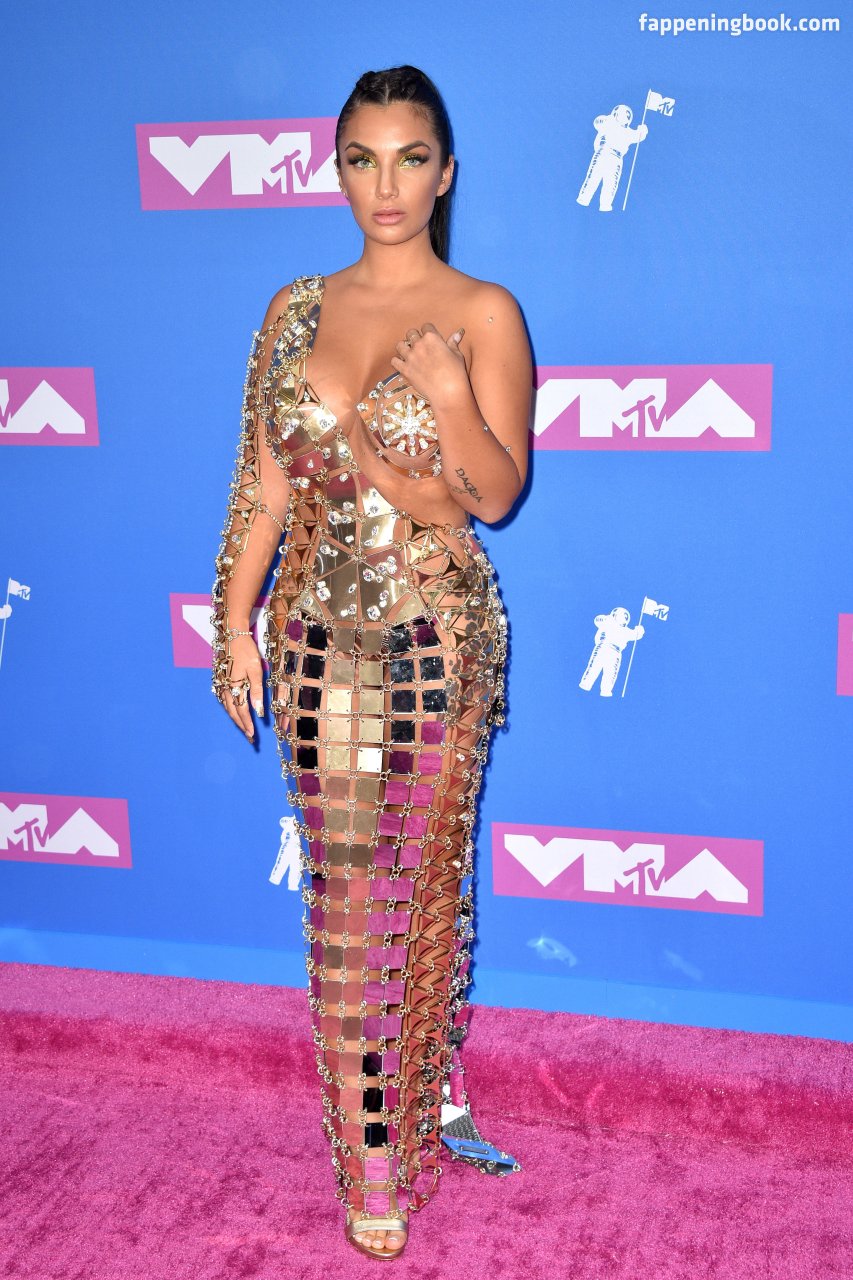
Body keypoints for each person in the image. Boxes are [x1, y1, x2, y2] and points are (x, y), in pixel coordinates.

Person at [210, 64, 532, 1261]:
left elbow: (493, 495)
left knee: (422, 884)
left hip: (437, 634)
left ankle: (425, 1069)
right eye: (362, 157)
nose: (384, 183)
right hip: (311, 638)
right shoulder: (293, 309)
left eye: (410, 158)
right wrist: (229, 622)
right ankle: (371, 1155)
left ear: (445, 174)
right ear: (336, 168)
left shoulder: (482, 311)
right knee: (347, 894)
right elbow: (263, 486)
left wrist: (448, 395)